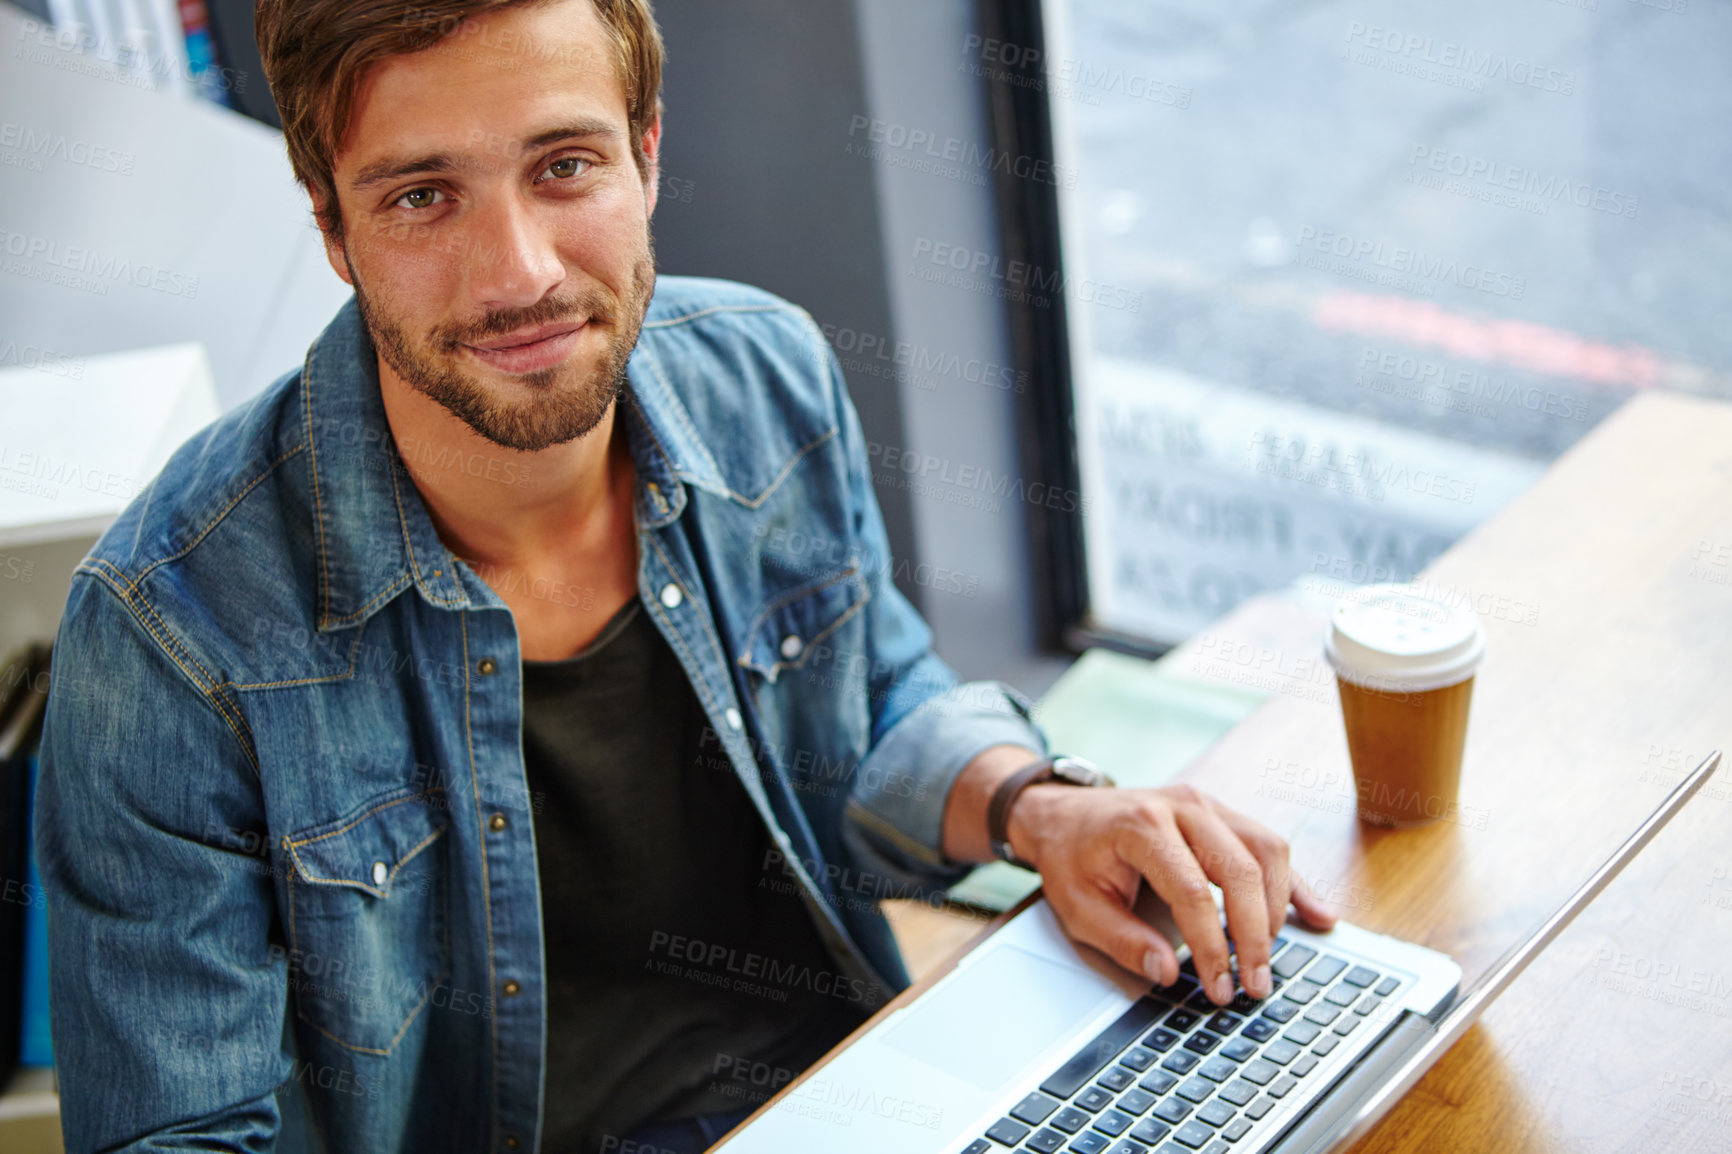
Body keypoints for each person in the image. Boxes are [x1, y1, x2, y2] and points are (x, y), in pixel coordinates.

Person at [34, 1, 1335, 1150]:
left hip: (873, 1092)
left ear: (648, 154)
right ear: (332, 225)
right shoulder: (168, 632)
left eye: (565, 166)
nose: (522, 273)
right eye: (423, 195)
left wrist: (1043, 807)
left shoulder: (763, 375)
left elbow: (870, 691)